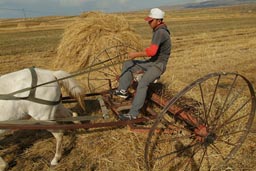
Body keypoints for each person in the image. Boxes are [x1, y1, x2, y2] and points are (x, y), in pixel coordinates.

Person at [114, 8, 172, 120]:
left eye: (151, 20)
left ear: (159, 21)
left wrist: (136, 54)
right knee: (128, 64)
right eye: (149, 20)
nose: (149, 23)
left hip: (158, 65)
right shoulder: (158, 30)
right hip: (152, 62)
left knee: (142, 84)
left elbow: (152, 52)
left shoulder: (160, 32)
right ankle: (122, 90)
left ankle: (133, 114)